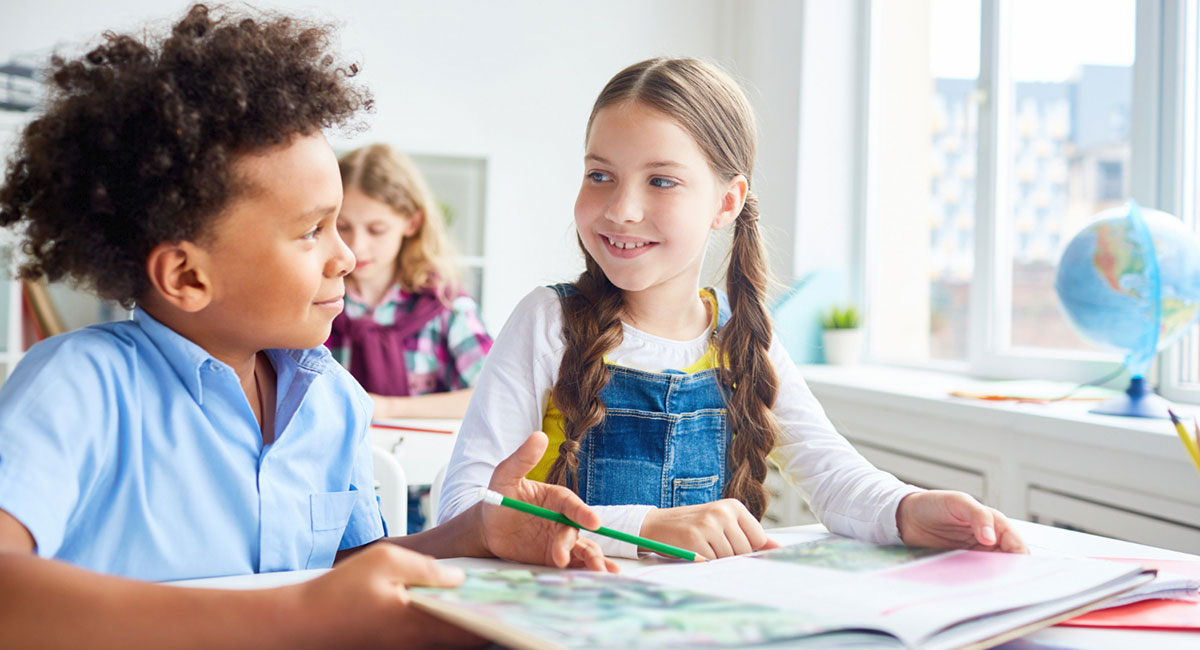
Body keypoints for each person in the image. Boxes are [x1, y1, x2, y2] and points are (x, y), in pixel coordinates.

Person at [0, 5, 613, 648]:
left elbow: (343, 578)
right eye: (312, 230)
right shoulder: (76, 386)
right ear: (186, 275)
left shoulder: (332, 399)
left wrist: (476, 533)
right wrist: (295, 618)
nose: (345, 257)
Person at [437, 57, 1028, 561]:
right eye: (600, 175)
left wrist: (908, 510)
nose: (620, 209)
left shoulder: (745, 338)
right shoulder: (548, 322)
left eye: (661, 181)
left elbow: (832, 475)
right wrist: (642, 529)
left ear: (727, 201)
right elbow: (465, 508)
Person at [327, 144, 492, 420]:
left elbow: (493, 396)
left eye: (376, 229)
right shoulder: (317, 299)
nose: (357, 246)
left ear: (412, 223)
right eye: (343, 227)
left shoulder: (446, 304)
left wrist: (387, 408)